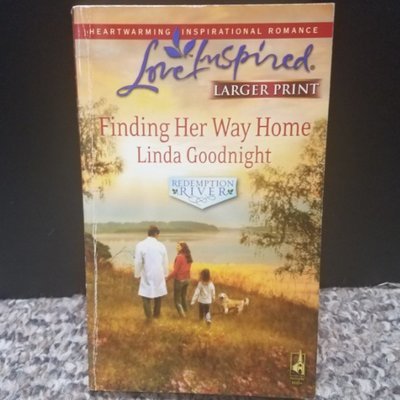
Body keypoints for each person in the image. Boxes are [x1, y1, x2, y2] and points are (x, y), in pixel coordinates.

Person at [134, 225, 168, 321]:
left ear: (148, 233)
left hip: (147, 272)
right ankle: (156, 316)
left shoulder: (140, 245)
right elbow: (165, 261)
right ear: (156, 234)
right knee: (158, 294)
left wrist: (137, 274)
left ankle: (149, 317)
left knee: (145, 295)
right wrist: (166, 274)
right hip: (159, 273)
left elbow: (138, 262)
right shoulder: (161, 245)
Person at [167, 242, 192, 317]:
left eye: (179, 246)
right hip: (187, 280)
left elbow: (175, 271)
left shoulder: (179, 257)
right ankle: (187, 313)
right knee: (183, 297)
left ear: (183, 248)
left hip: (179, 280)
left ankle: (183, 316)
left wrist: (167, 278)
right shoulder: (188, 256)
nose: (177, 247)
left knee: (177, 301)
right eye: (176, 246)